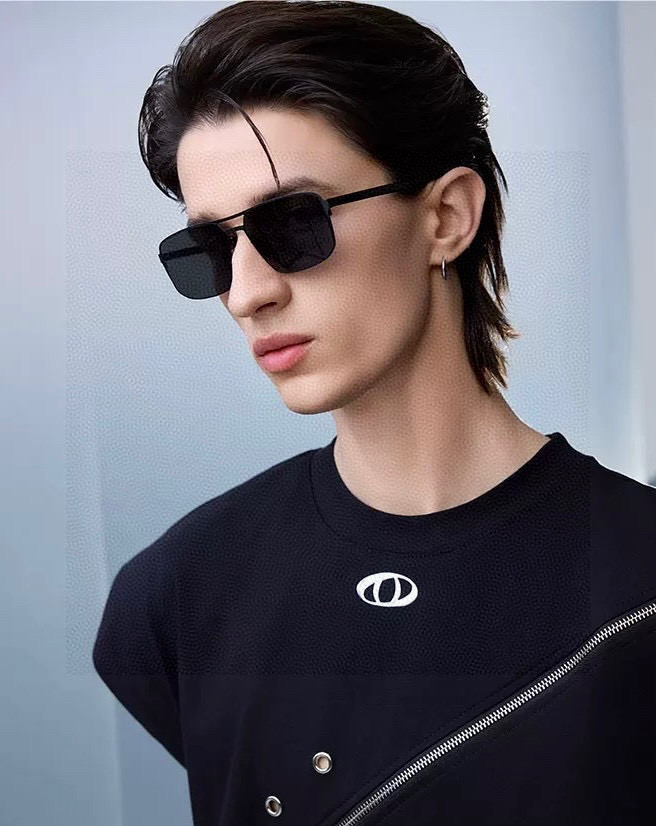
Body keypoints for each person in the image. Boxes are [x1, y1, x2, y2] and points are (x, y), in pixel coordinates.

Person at [93, 2, 656, 824]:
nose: (246, 293)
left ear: (446, 217)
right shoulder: (178, 597)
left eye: (292, 223)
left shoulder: (638, 588)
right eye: (211, 249)